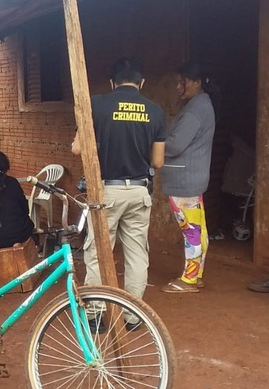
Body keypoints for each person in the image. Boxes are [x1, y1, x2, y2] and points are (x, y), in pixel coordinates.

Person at [71, 58, 165, 313]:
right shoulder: (155, 111)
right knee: (136, 255)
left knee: (98, 252)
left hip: (106, 193)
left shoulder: (97, 105)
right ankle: (134, 316)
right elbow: (157, 161)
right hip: (139, 191)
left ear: (112, 83)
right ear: (141, 83)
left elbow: (78, 148)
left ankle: (96, 313)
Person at [159, 62, 218, 293]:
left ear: (196, 82)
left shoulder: (195, 110)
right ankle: (197, 274)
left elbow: (174, 146)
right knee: (198, 228)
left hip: (185, 180)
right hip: (193, 177)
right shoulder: (201, 105)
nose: (178, 86)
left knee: (191, 230)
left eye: (182, 82)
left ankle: (189, 280)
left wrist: (154, 142)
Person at [0, 151, 35, 249]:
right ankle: (16, 244)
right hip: (16, 235)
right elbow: (25, 209)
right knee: (28, 224)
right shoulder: (13, 182)